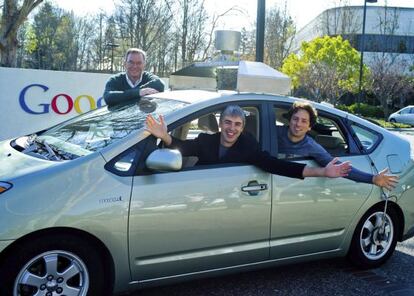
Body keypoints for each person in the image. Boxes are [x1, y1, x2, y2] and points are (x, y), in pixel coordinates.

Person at [145, 105, 352, 180]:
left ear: (243, 127)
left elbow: (277, 166)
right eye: (227, 122)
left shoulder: (248, 146)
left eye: (237, 124)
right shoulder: (206, 140)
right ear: (220, 123)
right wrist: (164, 136)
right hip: (204, 192)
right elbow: (183, 147)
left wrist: (323, 172)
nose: (231, 128)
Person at [277, 101, 398, 190]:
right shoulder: (274, 132)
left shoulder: (311, 146)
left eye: (304, 121)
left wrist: (372, 179)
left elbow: (340, 167)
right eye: (295, 119)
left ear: (309, 127)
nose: (298, 124)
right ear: (289, 120)